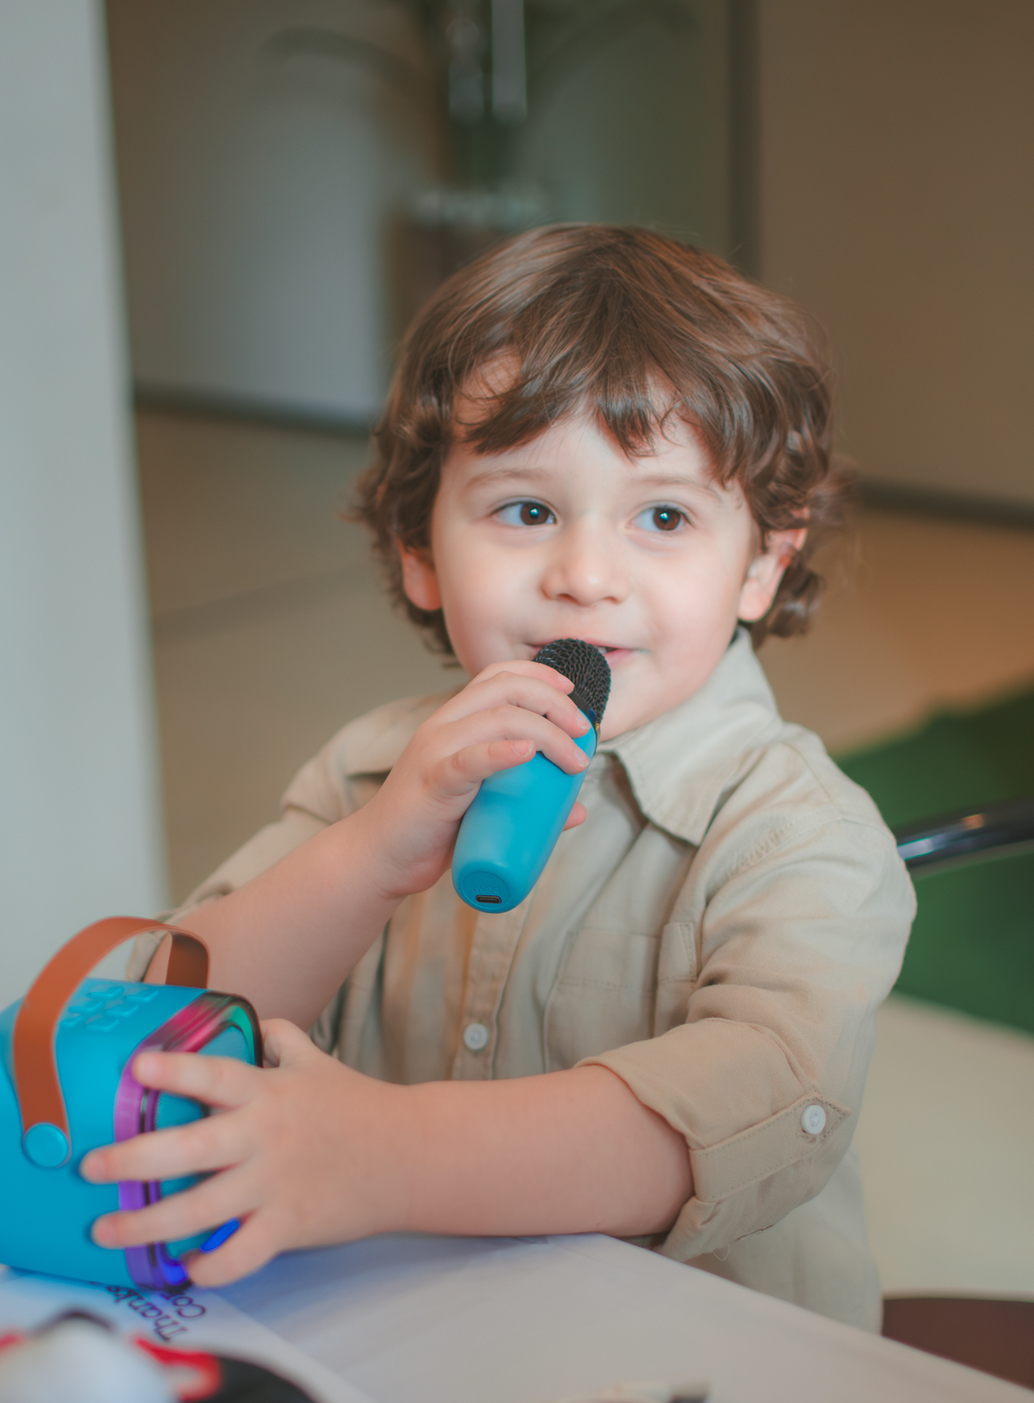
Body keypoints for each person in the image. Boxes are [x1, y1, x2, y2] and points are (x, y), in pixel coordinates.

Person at [83, 226, 914, 1330]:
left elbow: (756, 1098)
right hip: (399, 1333)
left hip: (696, 1380)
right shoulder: (372, 770)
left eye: (662, 516)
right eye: (526, 511)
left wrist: (383, 1155)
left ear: (763, 562)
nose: (584, 577)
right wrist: (370, 852)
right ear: (419, 550)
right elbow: (163, 1014)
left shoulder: (799, 837)